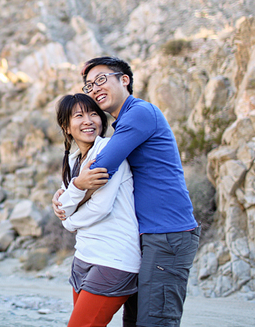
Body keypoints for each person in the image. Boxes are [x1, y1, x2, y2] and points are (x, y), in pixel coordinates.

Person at [53, 56, 200, 327]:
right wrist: (67, 192)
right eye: (89, 85)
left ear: (124, 80)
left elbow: (101, 170)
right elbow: (87, 174)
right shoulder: (123, 125)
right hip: (147, 236)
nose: (95, 88)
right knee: (133, 322)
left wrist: (69, 205)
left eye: (101, 80)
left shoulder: (139, 114)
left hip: (167, 233)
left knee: (155, 322)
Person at [55, 93, 140, 327]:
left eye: (94, 114)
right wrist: (77, 186)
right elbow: (64, 204)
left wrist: (69, 222)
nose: (89, 121)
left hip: (114, 259)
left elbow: (100, 207)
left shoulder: (110, 152)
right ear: (66, 126)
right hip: (83, 257)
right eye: (79, 116)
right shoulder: (73, 161)